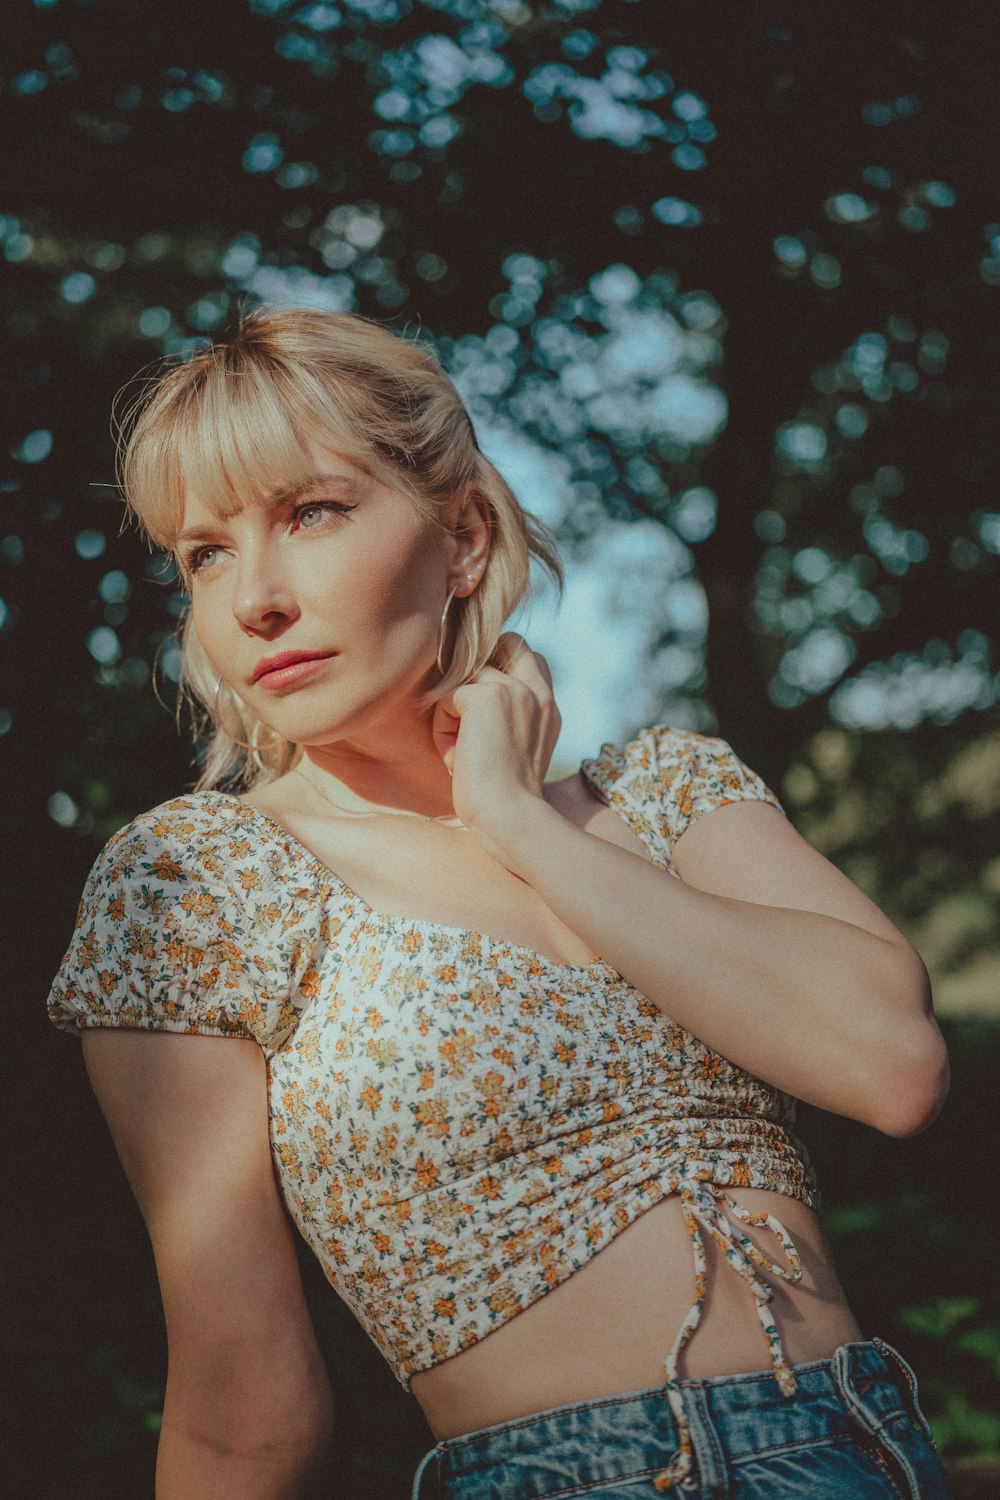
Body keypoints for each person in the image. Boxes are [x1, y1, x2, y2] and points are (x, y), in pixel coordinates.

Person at [48, 306, 952, 1500]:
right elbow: (243, 1412)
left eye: (308, 512)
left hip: (871, 1453)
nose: (253, 596)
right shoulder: (199, 882)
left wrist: (521, 820)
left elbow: (889, 1067)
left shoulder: (671, 789)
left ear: (463, 538)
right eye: (204, 552)